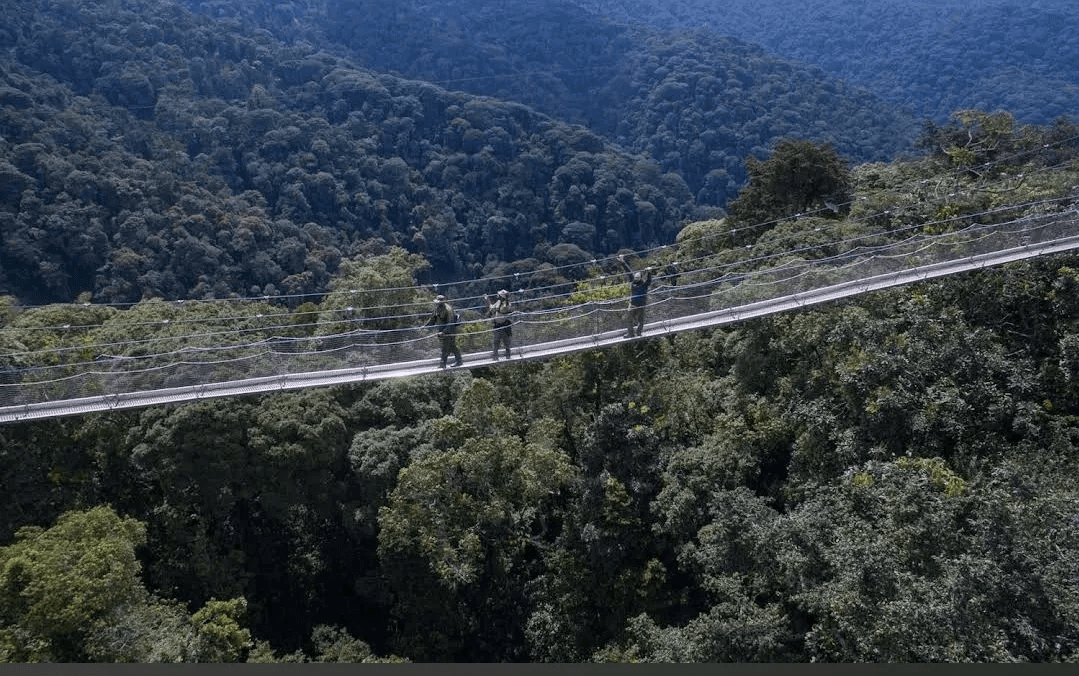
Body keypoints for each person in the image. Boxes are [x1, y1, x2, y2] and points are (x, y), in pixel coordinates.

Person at [619, 254, 653, 338]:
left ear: (641, 278)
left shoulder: (644, 284)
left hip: (640, 305)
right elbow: (628, 271)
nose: (636, 280)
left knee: (640, 320)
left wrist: (649, 272)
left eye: (637, 278)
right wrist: (623, 262)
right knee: (630, 319)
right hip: (634, 304)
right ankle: (631, 333)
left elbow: (649, 280)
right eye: (635, 278)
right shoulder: (633, 281)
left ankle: (638, 333)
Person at [425, 295, 462, 368]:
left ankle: (443, 364)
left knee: (445, 347)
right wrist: (425, 326)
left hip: (450, 331)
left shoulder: (448, 309)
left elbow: (450, 323)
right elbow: (433, 318)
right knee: (452, 346)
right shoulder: (437, 308)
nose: (437, 303)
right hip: (441, 330)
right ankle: (459, 361)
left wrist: (444, 332)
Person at [485, 288, 513, 360]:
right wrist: (487, 300)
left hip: (504, 325)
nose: (497, 296)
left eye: (499, 295)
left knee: (505, 343)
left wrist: (505, 299)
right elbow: (491, 308)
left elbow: (502, 309)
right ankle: (495, 357)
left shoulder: (506, 304)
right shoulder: (498, 302)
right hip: (498, 325)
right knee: (496, 342)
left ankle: (507, 356)